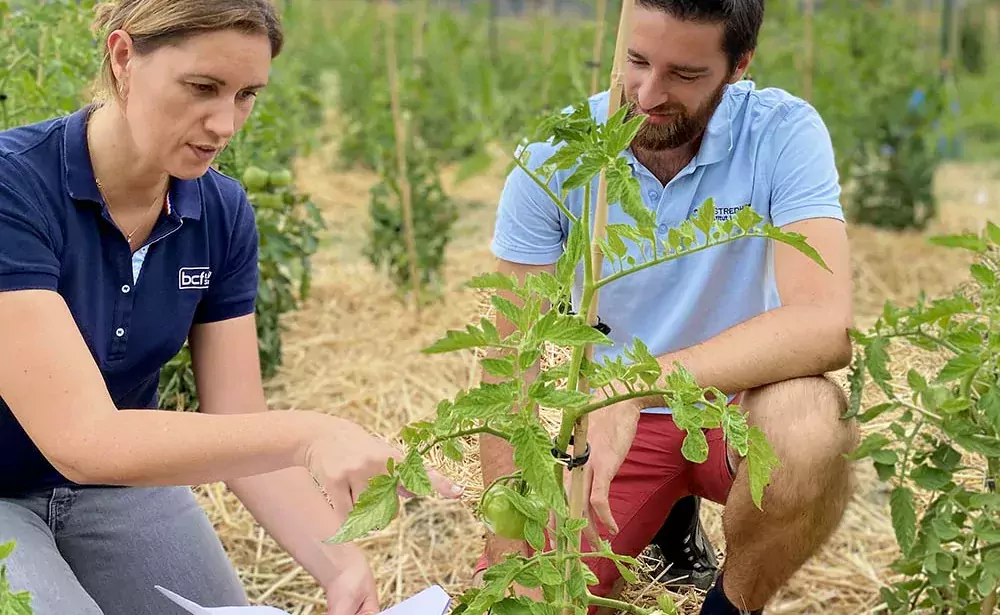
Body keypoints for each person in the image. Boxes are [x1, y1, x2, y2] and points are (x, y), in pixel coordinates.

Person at [0, 2, 462, 615]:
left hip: (117, 490)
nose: (225, 123)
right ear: (123, 58)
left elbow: (239, 419)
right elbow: (83, 439)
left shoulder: (219, 213)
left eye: (247, 94)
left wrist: (340, 563)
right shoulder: (16, 189)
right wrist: (312, 433)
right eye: (203, 88)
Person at [474, 1, 860, 614]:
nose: (648, 94)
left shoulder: (781, 132)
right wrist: (509, 533)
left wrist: (637, 382)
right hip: (610, 430)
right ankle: (666, 517)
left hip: (737, 406)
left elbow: (824, 325)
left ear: (738, 66)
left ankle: (730, 605)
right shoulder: (555, 157)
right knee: (543, 597)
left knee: (812, 423)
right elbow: (508, 354)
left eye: (684, 74)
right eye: (635, 60)